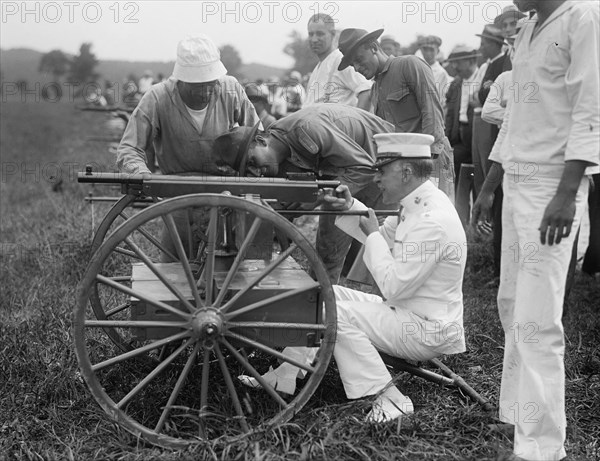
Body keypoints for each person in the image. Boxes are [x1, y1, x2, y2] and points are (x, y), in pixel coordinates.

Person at [239, 133, 467, 423]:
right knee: (326, 294)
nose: (377, 180)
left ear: (406, 172)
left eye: (382, 171)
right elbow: (384, 239)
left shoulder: (432, 220)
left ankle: (390, 398)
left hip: (425, 328)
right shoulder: (419, 202)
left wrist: (372, 234)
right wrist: (348, 208)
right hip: (412, 313)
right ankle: (286, 375)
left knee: (336, 312)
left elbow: (393, 286)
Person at [472, 1, 599, 460]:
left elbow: (591, 110)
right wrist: (490, 186)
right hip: (516, 179)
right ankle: (515, 414)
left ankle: (542, 448)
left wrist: (567, 195)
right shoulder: (526, 30)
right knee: (511, 301)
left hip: (552, 185)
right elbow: (514, 123)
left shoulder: (581, 20)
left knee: (538, 318)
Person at [214, 103, 395, 285]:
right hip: (346, 168)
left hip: (382, 162)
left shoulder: (306, 129)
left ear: (261, 141)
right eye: (249, 170)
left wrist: (316, 197)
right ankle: (322, 301)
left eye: (252, 161)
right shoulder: (276, 146)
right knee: (328, 246)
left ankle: (387, 302)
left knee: (381, 243)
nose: (256, 171)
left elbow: (364, 167)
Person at [337, 27, 455, 204]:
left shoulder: (410, 64)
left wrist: (425, 165)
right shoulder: (376, 88)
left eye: (359, 60)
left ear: (374, 47)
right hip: (405, 166)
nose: (357, 68)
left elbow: (433, 115)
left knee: (435, 214)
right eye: (353, 65)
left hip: (430, 160)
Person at [117, 35, 259, 176]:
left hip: (226, 188)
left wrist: (255, 165)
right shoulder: (157, 97)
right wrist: (141, 173)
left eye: (212, 83)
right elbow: (130, 148)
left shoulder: (231, 90)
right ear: (183, 80)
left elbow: (258, 137)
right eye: (199, 85)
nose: (207, 91)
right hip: (175, 189)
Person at [304, 14, 372, 110]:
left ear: (333, 34)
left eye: (320, 34)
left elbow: (366, 91)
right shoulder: (317, 69)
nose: (314, 39)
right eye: (311, 34)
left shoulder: (341, 61)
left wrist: (359, 123)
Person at [444, 45, 481, 184]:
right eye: (453, 62)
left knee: (479, 177)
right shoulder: (456, 84)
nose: (454, 66)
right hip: (459, 136)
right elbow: (450, 114)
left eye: (458, 62)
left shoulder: (482, 79)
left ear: (471, 61)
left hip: (476, 135)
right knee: (457, 179)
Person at [417, 35, 451, 113]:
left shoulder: (441, 73)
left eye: (432, 50)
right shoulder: (417, 68)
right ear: (421, 50)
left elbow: (438, 100)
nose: (428, 53)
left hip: (433, 113)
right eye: (425, 49)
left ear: (437, 51)